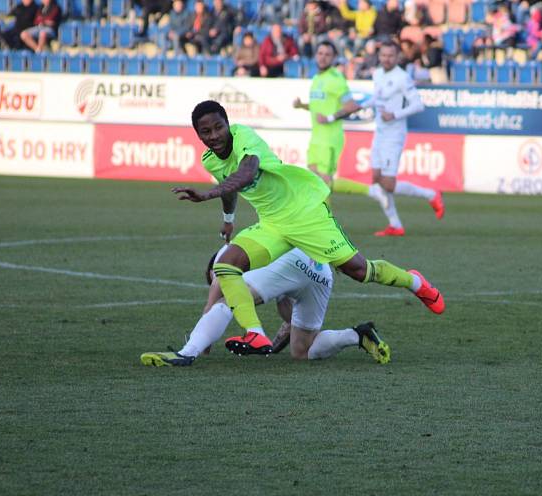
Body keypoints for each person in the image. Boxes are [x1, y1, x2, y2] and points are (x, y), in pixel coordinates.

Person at [170, 100, 444, 356]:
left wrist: (208, 194)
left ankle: (415, 282)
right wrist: (228, 219)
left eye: (218, 127)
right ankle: (255, 333)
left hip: (306, 212)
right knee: (226, 265)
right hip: (273, 224)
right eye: (205, 132)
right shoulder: (210, 159)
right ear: (198, 136)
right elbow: (231, 185)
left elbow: (247, 172)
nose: (214, 135)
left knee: (359, 271)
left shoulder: (245, 137)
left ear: (228, 124)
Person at [140, 245, 390, 366]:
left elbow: (216, 298)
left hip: (291, 260)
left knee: (229, 300)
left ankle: (186, 354)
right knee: (302, 350)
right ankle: (357, 335)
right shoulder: (257, 257)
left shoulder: (224, 257)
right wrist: (291, 326)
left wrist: (201, 343)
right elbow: (286, 306)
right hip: (319, 269)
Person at [327, 41, 444, 237]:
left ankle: (432, 194)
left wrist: (395, 114)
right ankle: (395, 225)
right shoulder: (378, 74)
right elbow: (378, 98)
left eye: (390, 56)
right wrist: (363, 104)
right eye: (383, 55)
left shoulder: (402, 78)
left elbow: (418, 105)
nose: (386, 59)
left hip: (394, 135)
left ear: (397, 57)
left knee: (388, 183)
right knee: (375, 178)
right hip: (380, 132)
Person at [292, 40, 373, 197]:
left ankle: (370, 191)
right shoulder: (317, 78)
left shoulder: (336, 79)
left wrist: (329, 118)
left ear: (334, 58)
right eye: (320, 53)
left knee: (324, 182)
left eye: (327, 55)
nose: (323, 58)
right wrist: (302, 105)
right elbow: (319, 105)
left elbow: (352, 106)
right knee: (314, 180)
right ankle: (320, 218)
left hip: (330, 138)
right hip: (316, 137)